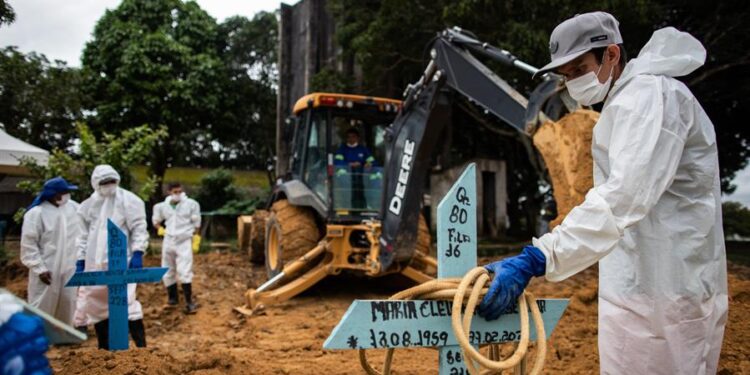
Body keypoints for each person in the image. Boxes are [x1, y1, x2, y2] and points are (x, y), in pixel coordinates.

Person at [478, 12, 727, 374]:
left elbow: (621, 197)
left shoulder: (647, 99)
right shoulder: (627, 100)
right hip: (646, 279)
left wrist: (539, 257)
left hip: (671, 285)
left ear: (612, 54)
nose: (572, 82)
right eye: (565, 75)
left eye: (579, 69)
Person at [75, 165, 149, 349]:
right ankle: (105, 350)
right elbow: (82, 236)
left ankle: (141, 349)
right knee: (96, 305)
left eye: (111, 181)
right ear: (95, 184)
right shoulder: (87, 206)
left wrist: (138, 252)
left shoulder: (129, 200)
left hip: (120, 261)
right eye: (104, 182)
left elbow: (139, 227)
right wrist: (80, 259)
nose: (108, 185)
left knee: (127, 303)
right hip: (94, 264)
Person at [20, 177, 81, 327]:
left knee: (68, 302)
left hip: (69, 267)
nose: (68, 195)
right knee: (42, 302)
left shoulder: (73, 208)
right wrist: (39, 268)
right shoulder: (36, 213)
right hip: (47, 268)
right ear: (55, 195)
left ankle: (64, 336)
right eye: (65, 192)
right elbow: (29, 243)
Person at [152, 182, 201, 314]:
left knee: (184, 270)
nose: (178, 194)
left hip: (184, 240)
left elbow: (197, 223)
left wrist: (196, 239)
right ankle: (172, 298)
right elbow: (156, 221)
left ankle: (189, 302)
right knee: (167, 268)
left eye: (180, 191)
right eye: (175, 192)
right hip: (169, 239)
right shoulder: (162, 206)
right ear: (169, 192)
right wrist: (161, 230)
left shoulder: (191, 204)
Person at [334, 128, 375, 208]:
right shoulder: (342, 149)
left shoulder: (363, 149)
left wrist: (369, 164)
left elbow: (372, 161)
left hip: (362, 179)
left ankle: (365, 207)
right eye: (348, 137)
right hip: (346, 181)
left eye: (353, 136)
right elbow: (337, 162)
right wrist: (349, 164)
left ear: (357, 138)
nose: (351, 139)